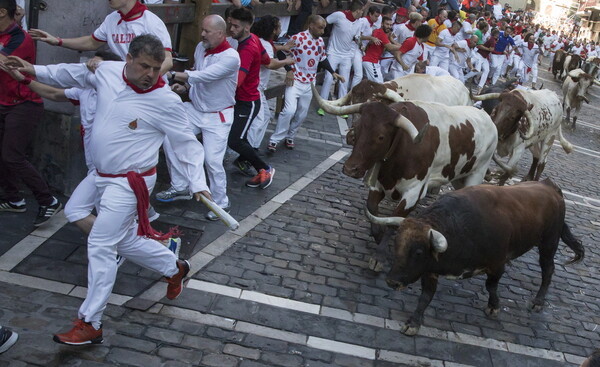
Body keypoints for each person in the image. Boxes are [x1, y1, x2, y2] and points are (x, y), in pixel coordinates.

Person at [4, 35, 210, 345]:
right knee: (81, 215)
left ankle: (91, 322)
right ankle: (173, 266)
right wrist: (33, 68)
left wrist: (198, 183)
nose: (150, 75)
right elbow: (69, 74)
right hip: (100, 173)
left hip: (130, 183)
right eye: (144, 66)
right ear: (128, 60)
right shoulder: (108, 72)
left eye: (155, 68)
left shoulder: (165, 100)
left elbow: (186, 144)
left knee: (101, 244)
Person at [157, 15, 240, 220]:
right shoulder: (201, 48)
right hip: (194, 109)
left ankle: (221, 202)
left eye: (207, 31)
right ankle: (181, 186)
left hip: (218, 115)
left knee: (212, 161)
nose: (202, 34)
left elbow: (206, 76)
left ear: (221, 34)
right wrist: (185, 86)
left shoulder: (231, 57)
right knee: (170, 137)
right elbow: (197, 73)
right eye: (202, 29)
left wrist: (173, 75)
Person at [0, 0, 62, 226]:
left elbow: (4, 62)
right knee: (4, 154)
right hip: (4, 102)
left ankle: (49, 200)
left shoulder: (20, 38)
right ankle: (14, 199)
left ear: (2, 12)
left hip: (25, 104)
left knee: (13, 156)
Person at [227, 7, 292, 189]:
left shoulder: (247, 48)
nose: (231, 29)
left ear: (247, 27)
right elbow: (267, 61)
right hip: (246, 99)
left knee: (235, 140)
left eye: (235, 26)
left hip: (247, 101)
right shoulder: (254, 40)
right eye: (230, 24)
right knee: (235, 137)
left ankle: (264, 168)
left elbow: (238, 80)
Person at [28, 0, 173, 75]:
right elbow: (92, 42)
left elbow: (168, 61)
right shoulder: (112, 19)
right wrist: (58, 41)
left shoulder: (151, 22)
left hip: (145, 89)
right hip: (120, 83)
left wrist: (145, 81)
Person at [267, 15, 343, 153]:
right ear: (311, 25)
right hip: (295, 80)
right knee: (289, 110)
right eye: (320, 28)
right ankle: (275, 139)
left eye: (324, 28)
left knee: (302, 113)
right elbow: (283, 54)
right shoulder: (298, 38)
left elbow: (322, 58)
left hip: (309, 83)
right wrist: (289, 70)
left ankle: (291, 136)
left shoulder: (320, 41)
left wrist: (332, 72)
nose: (322, 31)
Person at [316, 1, 363, 116]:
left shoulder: (359, 22)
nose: (362, 13)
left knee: (344, 81)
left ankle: (342, 108)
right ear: (357, 11)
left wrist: (358, 41)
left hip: (347, 55)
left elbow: (356, 36)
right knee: (328, 78)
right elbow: (324, 22)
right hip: (333, 52)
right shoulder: (339, 15)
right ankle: (323, 104)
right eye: (362, 10)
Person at [362, 17, 404, 83]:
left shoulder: (381, 33)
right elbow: (389, 47)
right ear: (381, 24)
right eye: (387, 24)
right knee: (379, 84)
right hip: (370, 61)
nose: (389, 27)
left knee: (373, 84)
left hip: (374, 61)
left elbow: (390, 45)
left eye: (390, 25)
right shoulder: (381, 33)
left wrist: (393, 40)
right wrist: (404, 47)